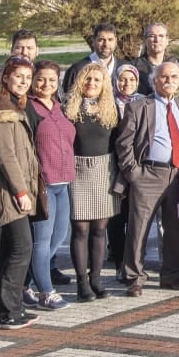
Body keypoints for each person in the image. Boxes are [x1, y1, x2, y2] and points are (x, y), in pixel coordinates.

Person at [115, 60, 179, 296]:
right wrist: (134, 173)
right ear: (154, 80)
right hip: (148, 174)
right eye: (164, 77)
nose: (169, 81)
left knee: (175, 228)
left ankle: (171, 275)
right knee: (139, 228)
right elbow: (124, 143)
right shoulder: (140, 106)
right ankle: (134, 277)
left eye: (174, 77)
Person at [0, 57, 43, 326]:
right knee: (20, 248)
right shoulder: (3, 110)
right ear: (5, 78)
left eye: (28, 77)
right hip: (7, 191)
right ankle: (6, 312)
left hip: (16, 189)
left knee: (9, 249)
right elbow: (5, 155)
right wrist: (21, 192)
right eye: (18, 77)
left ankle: (3, 309)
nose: (24, 82)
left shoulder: (17, 106)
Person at [65, 64, 120, 302]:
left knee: (100, 229)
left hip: (104, 170)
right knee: (81, 229)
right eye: (88, 79)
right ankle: (82, 282)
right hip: (77, 169)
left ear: (104, 83)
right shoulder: (68, 107)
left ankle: (96, 279)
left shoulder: (110, 108)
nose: (92, 83)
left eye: (97, 80)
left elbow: (118, 144)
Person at [25, 59, 75, 310]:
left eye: (52, 80)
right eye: (41, 79)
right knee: (41, 242)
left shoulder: (59, 107)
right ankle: (46, 292)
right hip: (42, 183)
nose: (46, 84)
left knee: (59, 237)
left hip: (63, 183)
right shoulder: (28, 108)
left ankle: (24, 284)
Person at [62, 22, 119, 99]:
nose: (106, 44)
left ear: (116, 41)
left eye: (110, 40)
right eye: (101, 40)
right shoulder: (77, 69)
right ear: (93, 41)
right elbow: (67, 100)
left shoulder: (124, 68)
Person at [0, 29, 38, 99]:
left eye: (29, 48)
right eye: (18, 48)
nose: (24, 52)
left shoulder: (43, 77)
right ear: (11, 50)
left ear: (37, 51)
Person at [133, 22, 176, 96]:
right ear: (145, 40)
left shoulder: (175, 64)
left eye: (161, 36)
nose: (157, 40)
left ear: (167, 41)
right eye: (152, 36)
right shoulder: (134, 67)